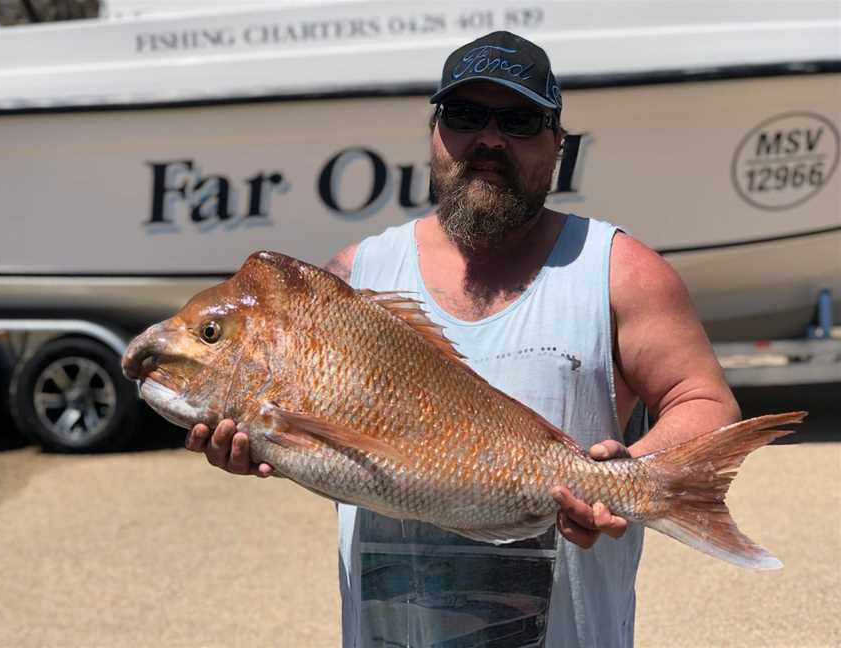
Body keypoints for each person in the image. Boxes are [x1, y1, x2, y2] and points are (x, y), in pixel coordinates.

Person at [186, 31, 739, 648]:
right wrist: (261, 444)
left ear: (558, 144)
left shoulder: (619, 271)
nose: (490, 140)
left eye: (521, 120)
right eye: (465, 116)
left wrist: (629, 474)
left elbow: (706, 404)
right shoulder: (353, 279)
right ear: (433, 132)